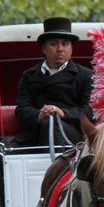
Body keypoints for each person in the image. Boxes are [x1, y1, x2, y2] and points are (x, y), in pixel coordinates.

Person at [13, 17, 94, 147]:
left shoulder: (86, 75)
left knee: (52, 124)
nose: (60, 49)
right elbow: (22, 110)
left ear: (71, 48)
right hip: (35, 134)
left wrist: (63, 113)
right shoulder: (29, 76)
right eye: (54, 44)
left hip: (72, 136)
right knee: (2, 158)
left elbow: (90, 111)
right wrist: (40, 115)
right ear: (44, 48)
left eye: (65, 43)